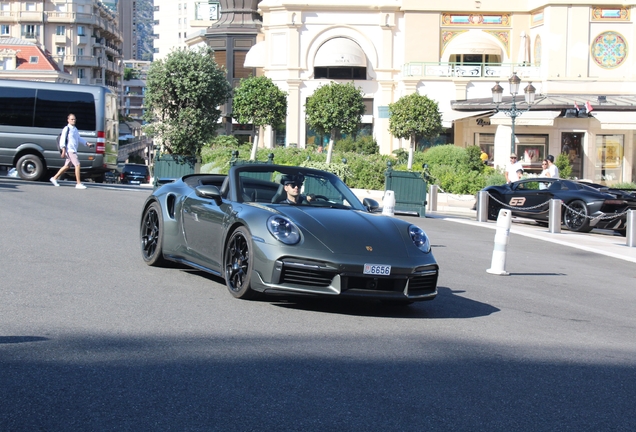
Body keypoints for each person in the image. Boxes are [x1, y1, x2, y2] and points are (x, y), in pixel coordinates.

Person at [50, 114, 93, 189]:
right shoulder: (66, 128)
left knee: (67, 166)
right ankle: (78, 183)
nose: (73, 121)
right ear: (68, 120)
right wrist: (63, 150)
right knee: (77, 165)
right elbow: (62, 140)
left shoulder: (75, 129)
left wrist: (87, 143)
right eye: (72, 119)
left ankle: (54, 178)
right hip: (69, 150)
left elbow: (79, 138)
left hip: (73, 150)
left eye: (74, 119)